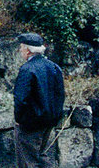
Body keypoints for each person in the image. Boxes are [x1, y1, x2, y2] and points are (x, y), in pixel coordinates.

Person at [13, 32, 65, 168]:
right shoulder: (54, 67)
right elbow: (60, 95)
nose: (20, 51)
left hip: (31, 122)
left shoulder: (27, 69)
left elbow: (21, 99)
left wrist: (19, 120)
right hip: (49, 120)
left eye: (21, 48)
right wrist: (55, 116)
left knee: (28, 161)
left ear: (28, 50)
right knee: (41, 156)